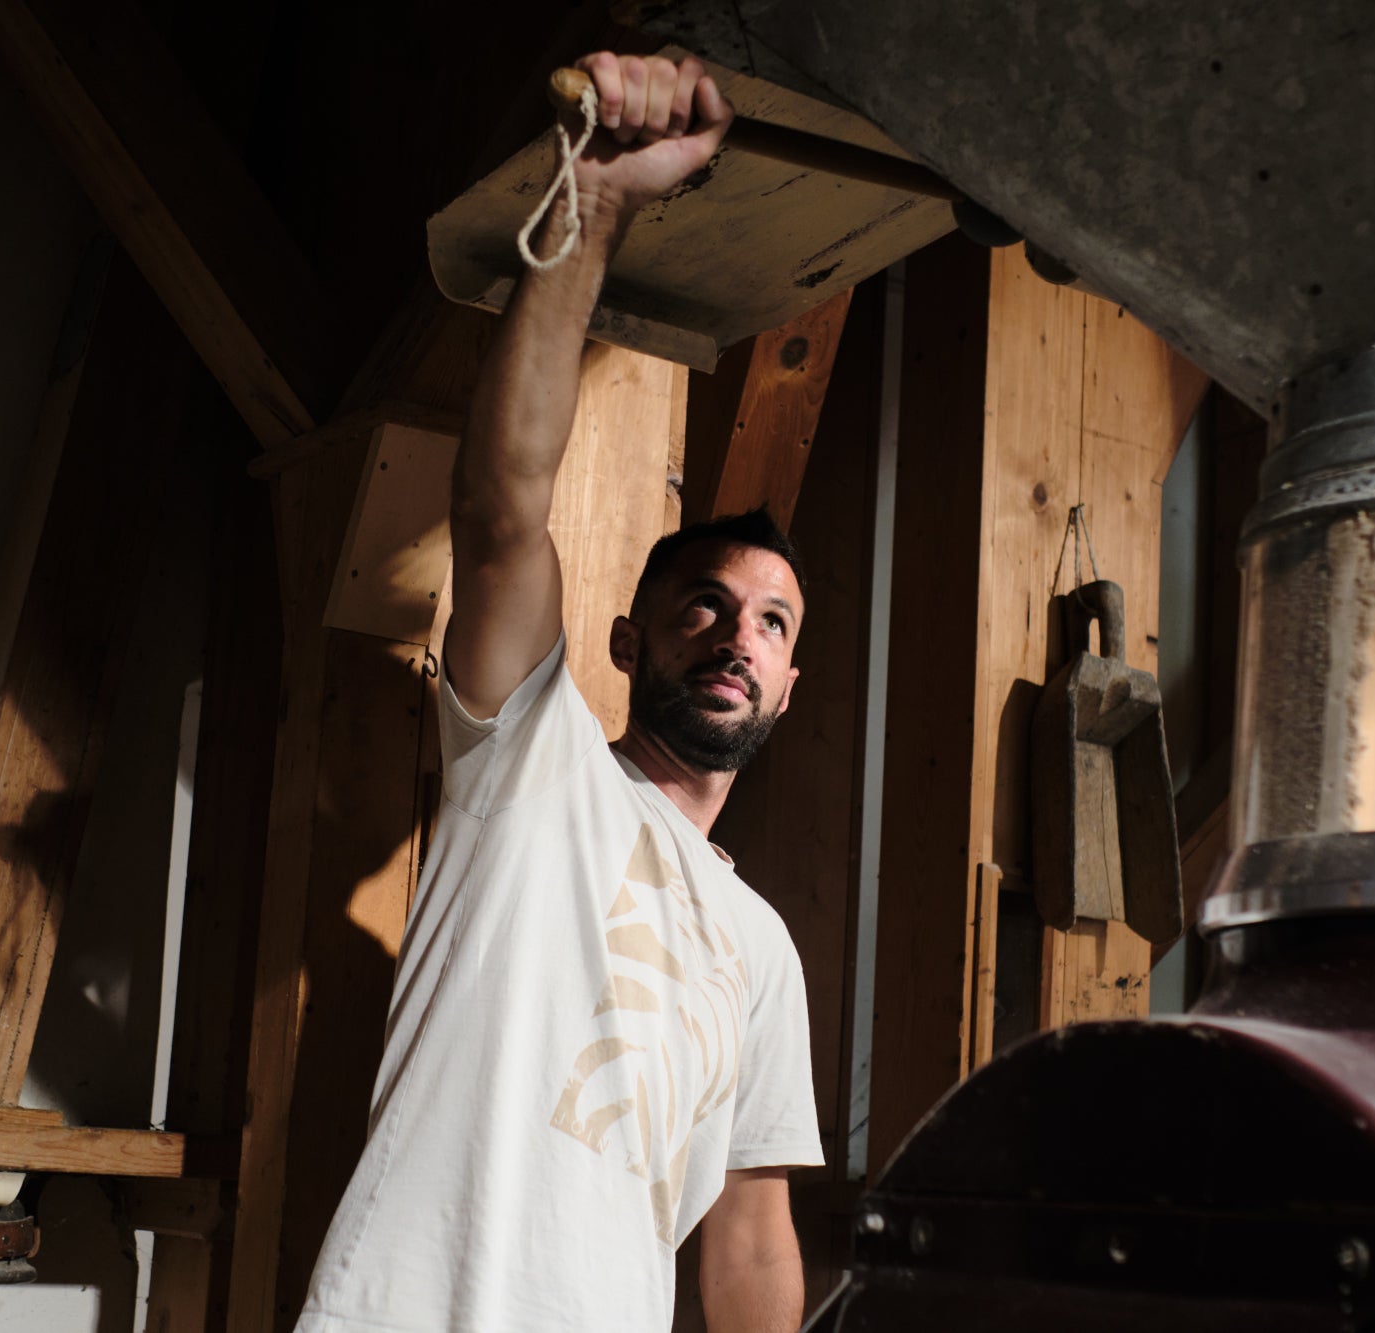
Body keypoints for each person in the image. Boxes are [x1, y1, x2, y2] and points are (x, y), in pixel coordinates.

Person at [296, 51, 821, 1332]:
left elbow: (749, 1242)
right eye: (700, 604)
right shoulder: (529, 766)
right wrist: (595, 201)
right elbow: (500, 507)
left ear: (788, 687)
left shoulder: (760, 951)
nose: (734, 636)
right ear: (630, 642)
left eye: (769, 621)